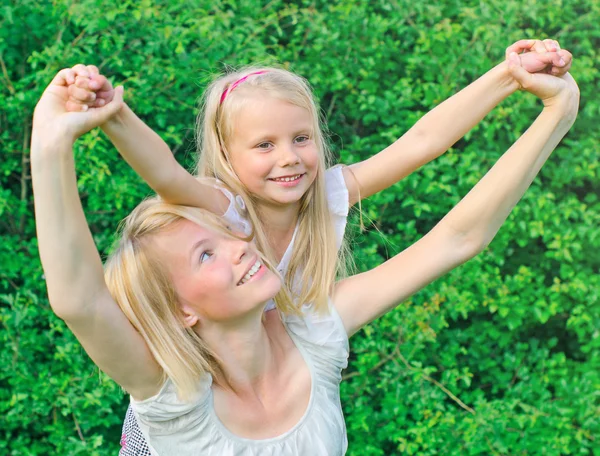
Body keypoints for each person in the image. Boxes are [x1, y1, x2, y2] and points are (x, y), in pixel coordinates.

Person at [32, 48, 579, 455]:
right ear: (226, 154)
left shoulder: (322, 221)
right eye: (265, 145)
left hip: (274, 353)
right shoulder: (224, 210)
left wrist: (511, 78)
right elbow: (160, 178)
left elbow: (422, 148)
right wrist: (108, 116)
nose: (288, 159)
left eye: (301, 139)